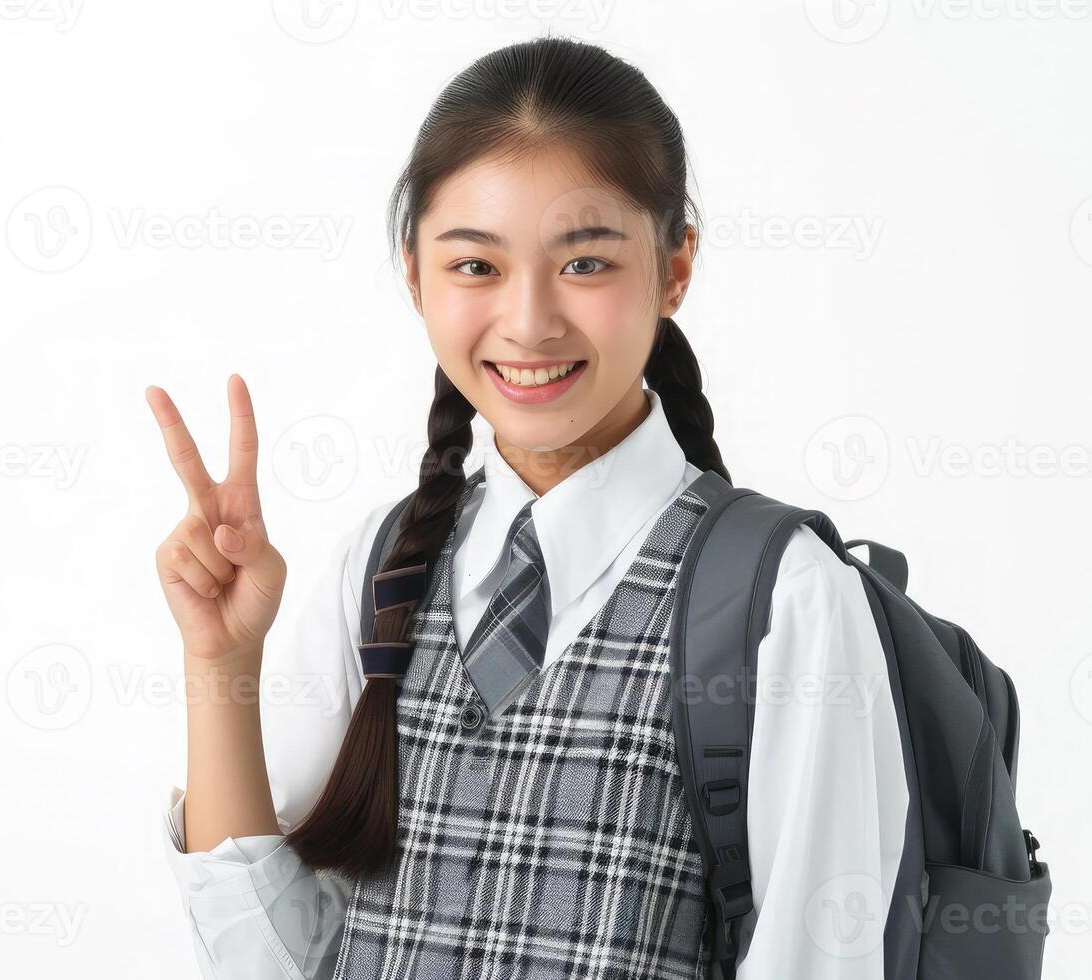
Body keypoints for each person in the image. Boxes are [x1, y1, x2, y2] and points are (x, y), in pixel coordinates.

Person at [144, 35, 908, 980]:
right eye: (475, 266)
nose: (529, 320)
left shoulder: (782, 599)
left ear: (674, 269)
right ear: (413, 272)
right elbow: (269, 965)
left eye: (585, 264)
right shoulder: (378, 569)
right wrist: (220, 662)